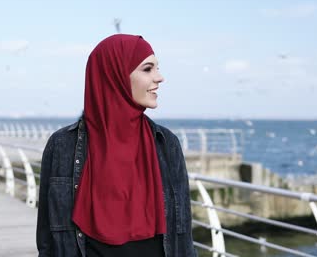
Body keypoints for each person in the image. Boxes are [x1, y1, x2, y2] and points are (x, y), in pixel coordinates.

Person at [36, 34, 197, 257]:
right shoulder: (63, 146)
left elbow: (183, 238)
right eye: (148, 69)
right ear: (114, 75)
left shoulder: (166, 143)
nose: (160, 78)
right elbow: (47, 241)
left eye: (157, 68)